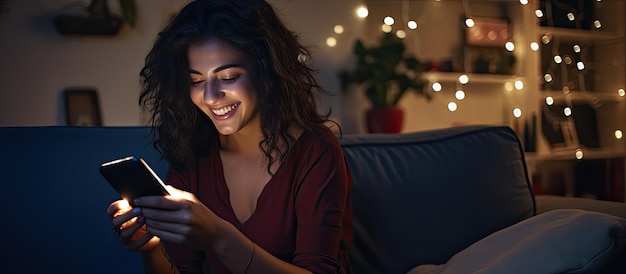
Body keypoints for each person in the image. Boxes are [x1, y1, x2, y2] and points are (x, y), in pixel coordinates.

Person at [106, 0, 353, 273]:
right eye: (197, 81)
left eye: (228, 76)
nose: (210, 96)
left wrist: (219, 236)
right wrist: (151, 245)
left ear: (267, 72)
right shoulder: (194, 153)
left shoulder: (315, 150)